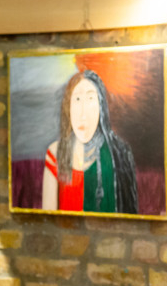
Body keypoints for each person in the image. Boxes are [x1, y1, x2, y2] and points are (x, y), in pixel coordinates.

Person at [42, 69, 137, 213]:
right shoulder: (55, 153)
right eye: (77, 99)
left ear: (101, 108)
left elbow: (130, 216)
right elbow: (47, 217)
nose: (83, 114)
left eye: (91, 99)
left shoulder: (120, 154)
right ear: (68, 107)